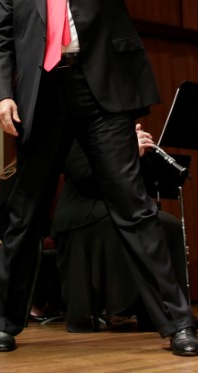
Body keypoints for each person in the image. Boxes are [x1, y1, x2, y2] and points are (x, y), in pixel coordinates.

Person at [0, 0, 198, 356]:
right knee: (25, 216)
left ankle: (176, 324)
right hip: (41, 101)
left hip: (102, 98)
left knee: (135, 207)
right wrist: (2, 96)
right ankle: (4, 321)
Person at [53, 125, 188, 333]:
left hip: (121, 206)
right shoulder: (76, 135)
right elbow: (86, 177)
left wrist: (141, 156)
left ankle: (165, 310)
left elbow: (144, 183)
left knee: (168, 224)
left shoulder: (121, 134)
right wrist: (127, 151)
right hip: (84, 208)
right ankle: (128, 303)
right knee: (133, 225)